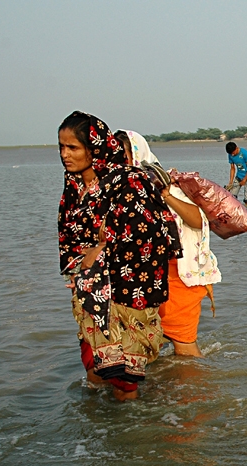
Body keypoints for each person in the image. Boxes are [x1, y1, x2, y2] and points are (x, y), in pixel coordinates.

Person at [57, 112, 178, 401]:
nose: (65, 155)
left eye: (72, 147)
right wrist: (78, 269)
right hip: (91, 290)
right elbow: (70, 236)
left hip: (127, 290)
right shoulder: (74, 187)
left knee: (124, 378)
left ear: (94, 147)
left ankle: (132, 434)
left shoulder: (128, 180)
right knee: (95, 370)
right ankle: (98, 433)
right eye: (61, 147)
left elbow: (149, 229)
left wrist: (103, 247)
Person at [116, 130, 222, 357]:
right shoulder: (117, 190)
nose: (119, 162)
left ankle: (195, 389)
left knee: (183, 343)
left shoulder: (164, 182)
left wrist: (166, 195)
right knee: (142, 342)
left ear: (136, 155)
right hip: (142, 279)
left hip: (179, 278)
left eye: (122, 155)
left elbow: (198, 221)